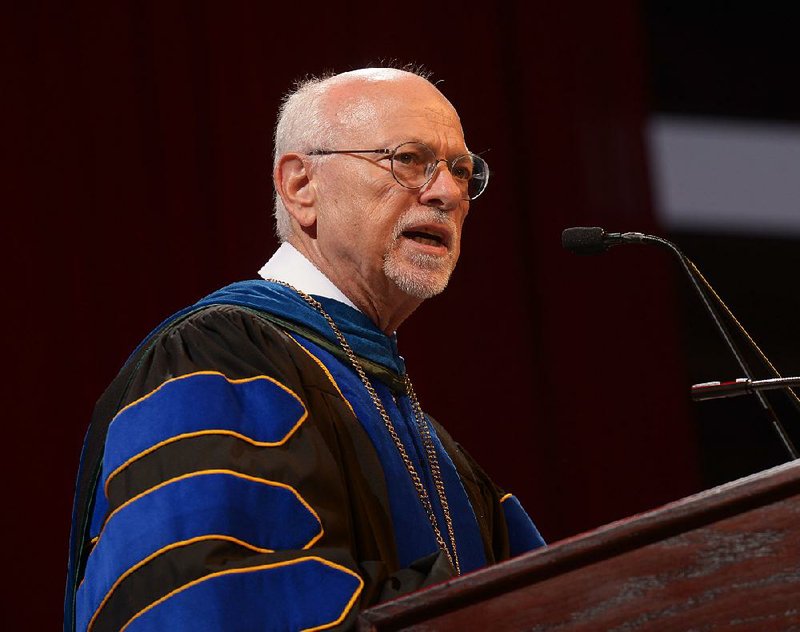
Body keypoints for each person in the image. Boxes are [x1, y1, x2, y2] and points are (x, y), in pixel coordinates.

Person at [65, 67, 545, 632]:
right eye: (409, 160)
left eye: (462, 172)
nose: (445, 193)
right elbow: (205, 602)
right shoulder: (218, 361)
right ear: (300, 186)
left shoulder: (436, 450)